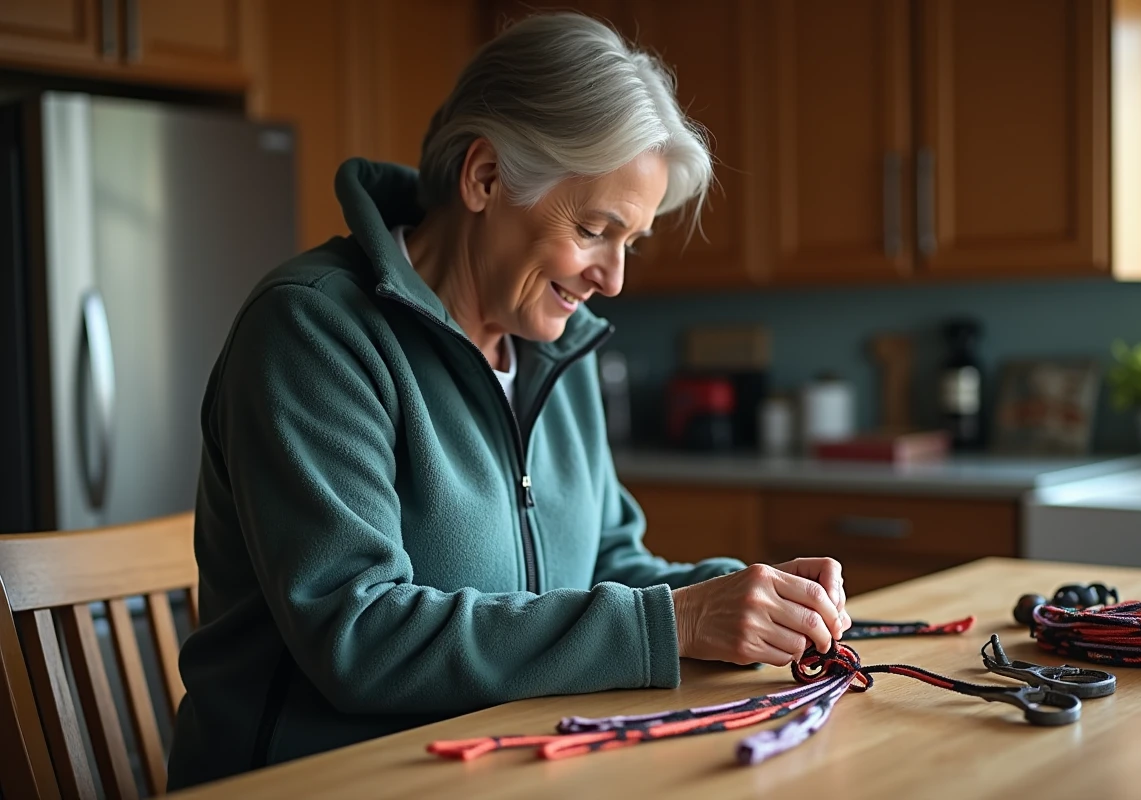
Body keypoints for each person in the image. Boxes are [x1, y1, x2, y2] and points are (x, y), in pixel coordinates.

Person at [167, 12, 850, 790]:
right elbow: (360, 635)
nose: (613, 278)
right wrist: (680, 621)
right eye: (594, 229)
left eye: (631, 242)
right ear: (486, 177)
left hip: (509, 766)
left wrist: (753, 596)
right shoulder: (312, 331)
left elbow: (607, 563)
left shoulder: (554, 344)